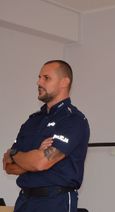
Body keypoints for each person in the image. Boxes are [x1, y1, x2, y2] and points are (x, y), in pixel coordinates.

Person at [2, 60, 90, 212]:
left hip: (55, 202)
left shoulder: (73, 120)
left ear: (64, 82)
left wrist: (15, 153)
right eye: (39, 77)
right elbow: (8, 166)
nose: (39, 82)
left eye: (46, 78)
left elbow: (41, 162)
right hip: (24, 201)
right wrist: (33, 157)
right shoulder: (32, 121)